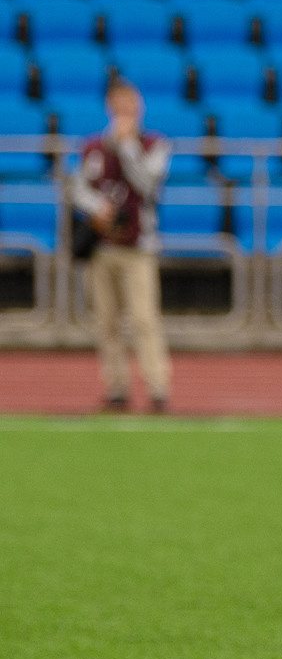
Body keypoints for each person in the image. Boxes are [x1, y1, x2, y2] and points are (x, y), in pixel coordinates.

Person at [69, 76, 173, 414]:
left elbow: (147, 185)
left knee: (144, 320)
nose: (125, 112)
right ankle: (116, 389)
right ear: (109, 107)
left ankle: (158, 389)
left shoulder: (155, 145)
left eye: (130, 105)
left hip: (138, 247)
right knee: (107, 322)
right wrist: (98, 209)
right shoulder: (92, 147)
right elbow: (77, 188)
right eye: (119, 106)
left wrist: (127, 147)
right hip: (102, 247)